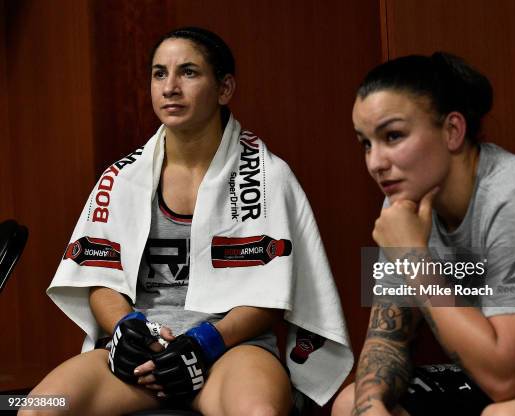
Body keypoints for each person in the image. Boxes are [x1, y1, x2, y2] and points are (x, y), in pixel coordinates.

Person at [22, 27, 352, 416]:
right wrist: (127, 328)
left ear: (225, 88)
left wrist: (204, 342)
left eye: (189, 72)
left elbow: (272, 296)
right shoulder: (120, 178)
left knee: (258, 413)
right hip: (142, 354)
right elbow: (99, 279)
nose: (170, 87)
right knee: (39, 408)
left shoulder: (267, 177)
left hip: (229, 352)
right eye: (160, 73)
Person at [332, 52, 515, 416]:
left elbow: (506, 379)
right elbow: (386, 341)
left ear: (452, 130)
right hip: (501, 378)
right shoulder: (400, 207)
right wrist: (370, 407)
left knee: (508, 415)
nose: (375, 163)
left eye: (393, 136)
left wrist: (415, 261)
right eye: (366, 143)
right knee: (350, 404)